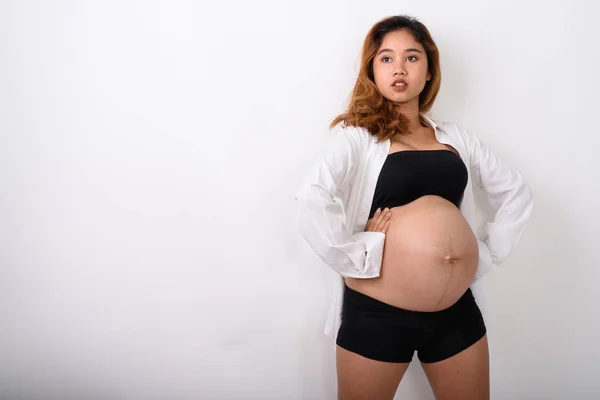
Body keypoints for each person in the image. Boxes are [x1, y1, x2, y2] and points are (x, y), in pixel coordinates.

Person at [294, 15, 534, 400]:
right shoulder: (357, 137)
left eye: (412, 57)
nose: (399, 68)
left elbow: (516, 193)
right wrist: (359, 255)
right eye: (386, 58)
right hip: (377, 312)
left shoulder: (456, 137)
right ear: (372, 69)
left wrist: (481, 258)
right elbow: (312, 197)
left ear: (428, 70)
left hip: (457, 313)